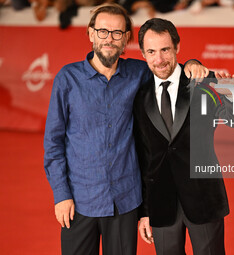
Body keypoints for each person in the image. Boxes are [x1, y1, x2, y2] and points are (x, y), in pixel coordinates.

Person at [43, 3, 207, 255]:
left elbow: (166, 67)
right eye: (103, 31)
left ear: (127, 38)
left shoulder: (139, 73)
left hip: (125, 202)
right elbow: (53, 145)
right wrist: (61, 195)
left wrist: (193, 63)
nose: (110, 39)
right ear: (90, 33)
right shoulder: (67, 79)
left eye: (117, 33)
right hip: (80, 201)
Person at [134, 18, 234, 255]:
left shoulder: (204, 81)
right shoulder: (139, 95)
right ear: (143, 54)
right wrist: (144, 212)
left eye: (165, 49)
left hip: (203, 197)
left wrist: (233, 94)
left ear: (177, 46)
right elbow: (144, 157)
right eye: (151, 51)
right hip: (161, 205)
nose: (159, 59)